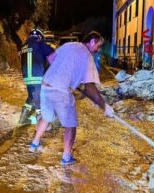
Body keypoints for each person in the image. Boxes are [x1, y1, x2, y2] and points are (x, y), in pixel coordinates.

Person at [28, 31, 115, 164]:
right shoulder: (88, 56)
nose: (98, 50)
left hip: (46, 86)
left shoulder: (69, 45)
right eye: (99, 45)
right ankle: (66, 157)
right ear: (92, 41)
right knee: (70, 124)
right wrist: (104, 106)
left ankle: (34, 144)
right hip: (61, 90)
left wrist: (66, 73)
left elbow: (51, 58)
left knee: (46, 117)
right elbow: (89, 87)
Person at [19, 28, 55, 125]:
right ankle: (42, 122)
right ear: (40, 36)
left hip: (27, 77)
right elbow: (53, 54)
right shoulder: (39, 43)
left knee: (31, 97)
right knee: (40, 98)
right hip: (37, 76)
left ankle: (23, 118)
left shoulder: (24, 45)